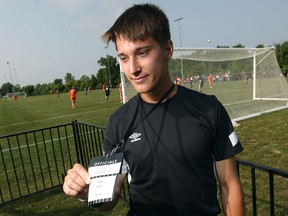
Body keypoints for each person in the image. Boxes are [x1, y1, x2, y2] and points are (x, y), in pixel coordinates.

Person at [63, 3, 244, 216]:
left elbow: (229, 184)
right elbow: (111, 200)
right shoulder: (118, 122)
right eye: (123, 58)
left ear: (167, 49)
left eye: (142, 53)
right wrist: (87, 193)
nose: (133, 69)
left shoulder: (209, 109)